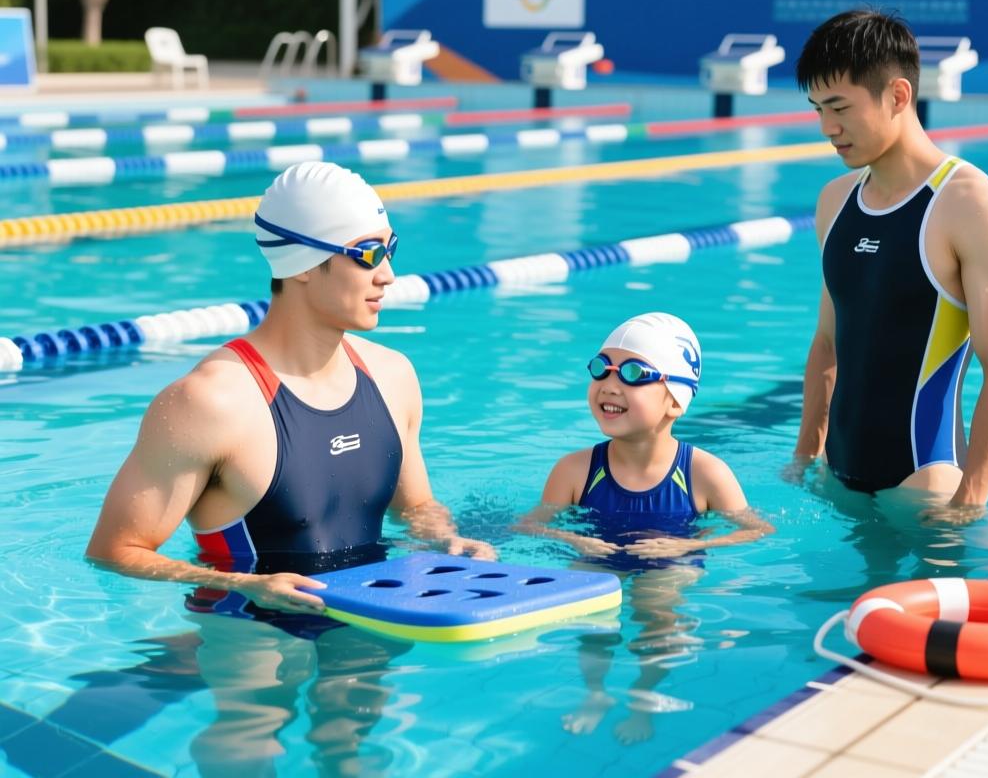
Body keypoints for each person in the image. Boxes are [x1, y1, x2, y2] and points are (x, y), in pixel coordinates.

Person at [86, 160, 494, 772]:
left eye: (389, 250)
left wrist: (444, 537)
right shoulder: (211, 401)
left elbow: (416, 506)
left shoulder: (393, 376)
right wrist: (245, 585)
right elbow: (115, 549)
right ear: (302, 264)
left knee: (352, 751)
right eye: (365, 254)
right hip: (251, 624)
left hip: (369, 606)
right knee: (249, 743)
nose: (387, 274)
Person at [789, 9, 988, 524]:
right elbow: (829, 342)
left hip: (926, 483)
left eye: (839, 108)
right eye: (817, 109)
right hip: (838, 474)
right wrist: (806, 455)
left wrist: (970, 501)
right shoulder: (835, 201)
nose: (827, 128)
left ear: (898, 96)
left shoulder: (972, 205)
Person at [518, 312, 774, 743]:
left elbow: (757, 530)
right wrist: (573, 539)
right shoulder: (576, 470)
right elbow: (528, 527)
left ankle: (644, 695)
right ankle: (595, 692)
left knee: (658, 609)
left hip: (671, 558)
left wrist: (680, 548)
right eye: (602, 367)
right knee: (590, 605)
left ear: (674, 400)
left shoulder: (704, 473)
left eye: (635, 373)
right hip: (598, 555)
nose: (611, 384)